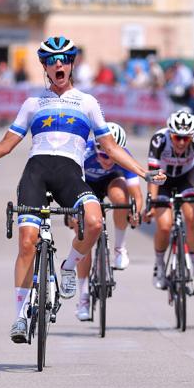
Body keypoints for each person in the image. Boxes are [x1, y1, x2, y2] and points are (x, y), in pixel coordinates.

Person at [0, 36, 166, 344]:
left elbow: (110, 147)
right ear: (45, 67)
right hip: (36, 172)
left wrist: (144, 173)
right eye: (51, 60)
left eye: (63, 59)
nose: (58, 64)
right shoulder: (33, 103)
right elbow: (6, 145)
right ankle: (20, 316)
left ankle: (69, 265)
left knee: (94, 221)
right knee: (26, 242)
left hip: (69, 174)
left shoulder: (87, 103)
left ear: (72, 64)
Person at [73, 122, 143, 321]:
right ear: (96, 149)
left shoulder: (123, 156)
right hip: (85, 186)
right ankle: (84, 296)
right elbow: (69, 187)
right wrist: (72, 214)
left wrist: (136, 211)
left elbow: (136, 193)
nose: (108, 160)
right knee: (83, 236)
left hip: (113, 181)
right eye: (104, 155)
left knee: (122, 199)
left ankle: (120, 248)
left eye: (112, 156)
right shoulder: (83, 153)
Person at [144, 110, 194, 295]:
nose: (182, 142)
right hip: (163, 179)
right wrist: (150, 203)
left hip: (187, 178)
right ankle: (159, 266)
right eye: (178, 138)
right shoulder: (159, 139)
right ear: (170, 134)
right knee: (165, 226)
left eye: (186, 138)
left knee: (193, 219)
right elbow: (152, 174)